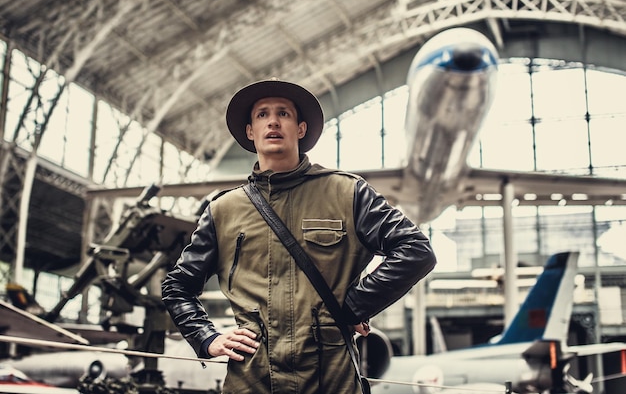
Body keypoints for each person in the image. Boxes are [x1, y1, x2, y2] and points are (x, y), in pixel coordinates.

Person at [161, 79, 437, 394]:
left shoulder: (346, 193)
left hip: (332, 379)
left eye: (284, 114)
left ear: (301, 129)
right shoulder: (223, 209)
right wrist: (207, 338)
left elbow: (415, 250)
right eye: (262, 115)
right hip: (252, 380)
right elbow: (177, 286)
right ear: (250, 132)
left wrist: (354, 306)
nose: (273, 121)